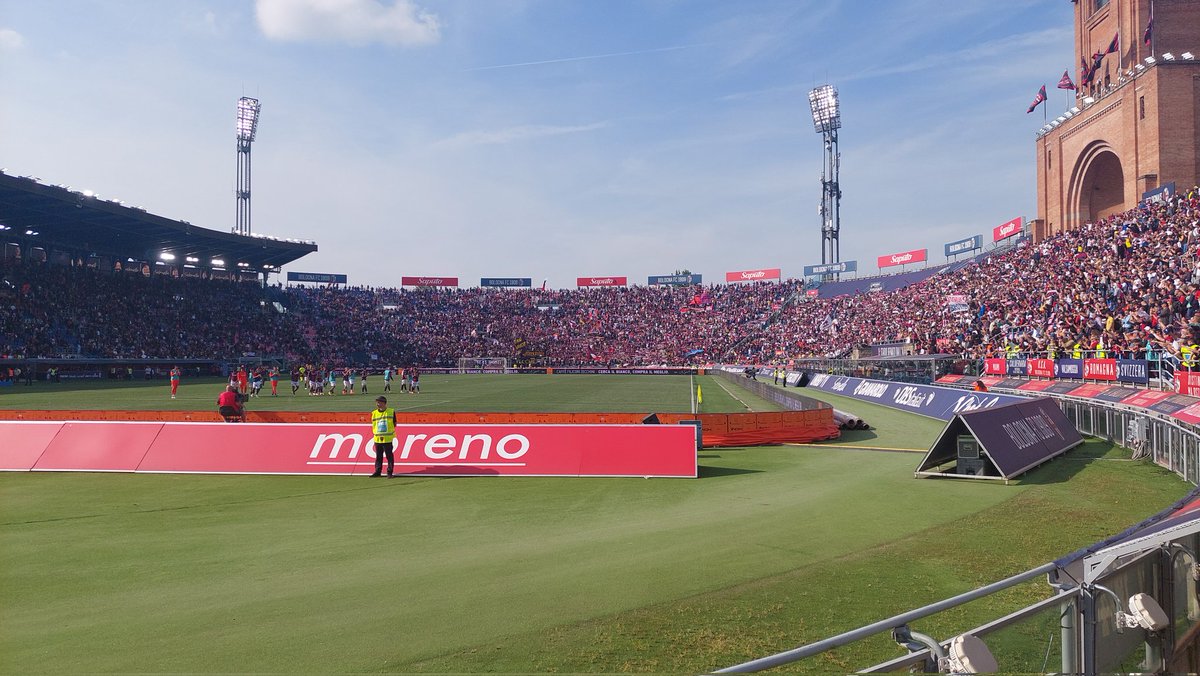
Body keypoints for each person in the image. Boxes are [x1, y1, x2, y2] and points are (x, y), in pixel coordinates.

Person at [369, 396, 397, 477]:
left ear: (384, 403)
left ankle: (389, 472)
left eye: (379, 402)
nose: (378, 404)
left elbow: (394, 424)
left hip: (387, 439)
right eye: (377, 402)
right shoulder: (374, 413)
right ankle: (378, 471)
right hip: (377, 439)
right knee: (378, 456)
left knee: (389, 456)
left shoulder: (391, 411)